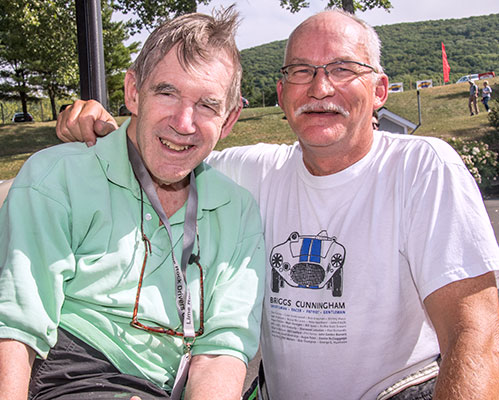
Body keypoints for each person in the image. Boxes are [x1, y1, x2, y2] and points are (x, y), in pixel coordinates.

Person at [32, 8, 499, 400]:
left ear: (379, 91)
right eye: (300, 71)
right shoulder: (250, 173)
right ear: (281, 95)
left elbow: (475, 332)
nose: (320, 87)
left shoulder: (420, 167)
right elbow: (170, 144)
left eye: (342, 69)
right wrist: (101, 126)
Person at [0, 8, 265, 400]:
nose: (184, 122)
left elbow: (223, 348)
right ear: (133, 91)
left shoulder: (237, 209)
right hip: (71, 371)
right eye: (167, 92)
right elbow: (14, 329)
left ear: (229, 120)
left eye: (207, 105)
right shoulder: (55, 179)